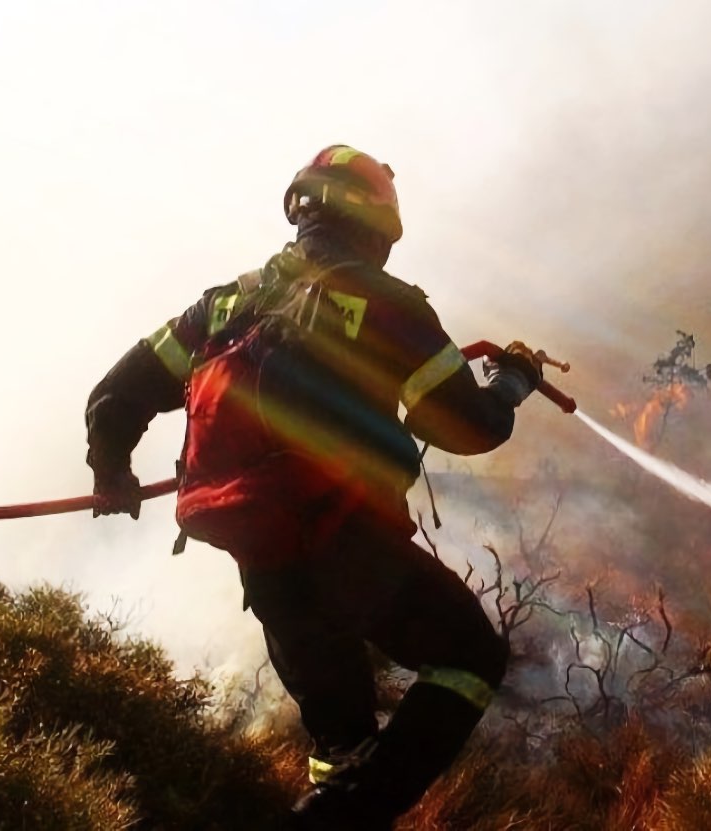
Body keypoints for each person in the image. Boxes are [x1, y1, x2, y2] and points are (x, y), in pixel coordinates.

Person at [85, 145, 541, 829]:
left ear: (303, 212)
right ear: (379, 228)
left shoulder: (223, 305)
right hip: (348, 546)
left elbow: (115, 394)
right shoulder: (389, 306)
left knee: (341, 746)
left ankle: (336, 800)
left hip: (263, 561)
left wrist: (111, 471)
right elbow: (470, 427)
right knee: (470, 656)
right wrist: (512, 383)